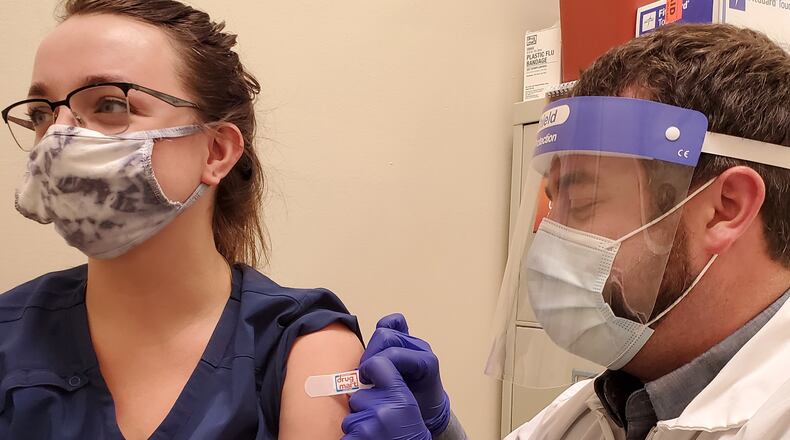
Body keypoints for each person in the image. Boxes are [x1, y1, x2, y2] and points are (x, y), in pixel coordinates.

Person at [341, 24, 790, 440]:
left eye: (582, 201)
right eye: (551, 205)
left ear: (724, 209)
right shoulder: (618, 399)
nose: (551, 235)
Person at [0, 1, 363, 439]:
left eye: (111, 105)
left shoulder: (302, 346)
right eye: (42, 113)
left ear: (216, 152)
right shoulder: (9, 335)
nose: (58, 138)